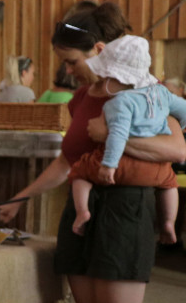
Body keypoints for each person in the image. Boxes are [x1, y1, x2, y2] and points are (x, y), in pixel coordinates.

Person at [0, 3, 186, 303]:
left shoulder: (145, 90)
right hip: (84, 208)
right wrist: (20, 198)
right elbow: (67, 161)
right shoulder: (81, 98)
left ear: (99, 49)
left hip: (125, 210)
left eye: (71, 60)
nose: (67, 70)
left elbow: (177, 148)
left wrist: (110, 135)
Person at [67, 36, 186, 242]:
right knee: (170, 183)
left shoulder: (119, 103)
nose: (103, 80)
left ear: (118, 78)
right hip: (156, 169)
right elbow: (183, 108)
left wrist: (109, 165)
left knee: (80, 171)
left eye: (107, 77)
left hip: (122, 166)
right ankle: (168, 223)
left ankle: (82, 212)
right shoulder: (161, 93)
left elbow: (118, 134)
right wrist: (181, 126)